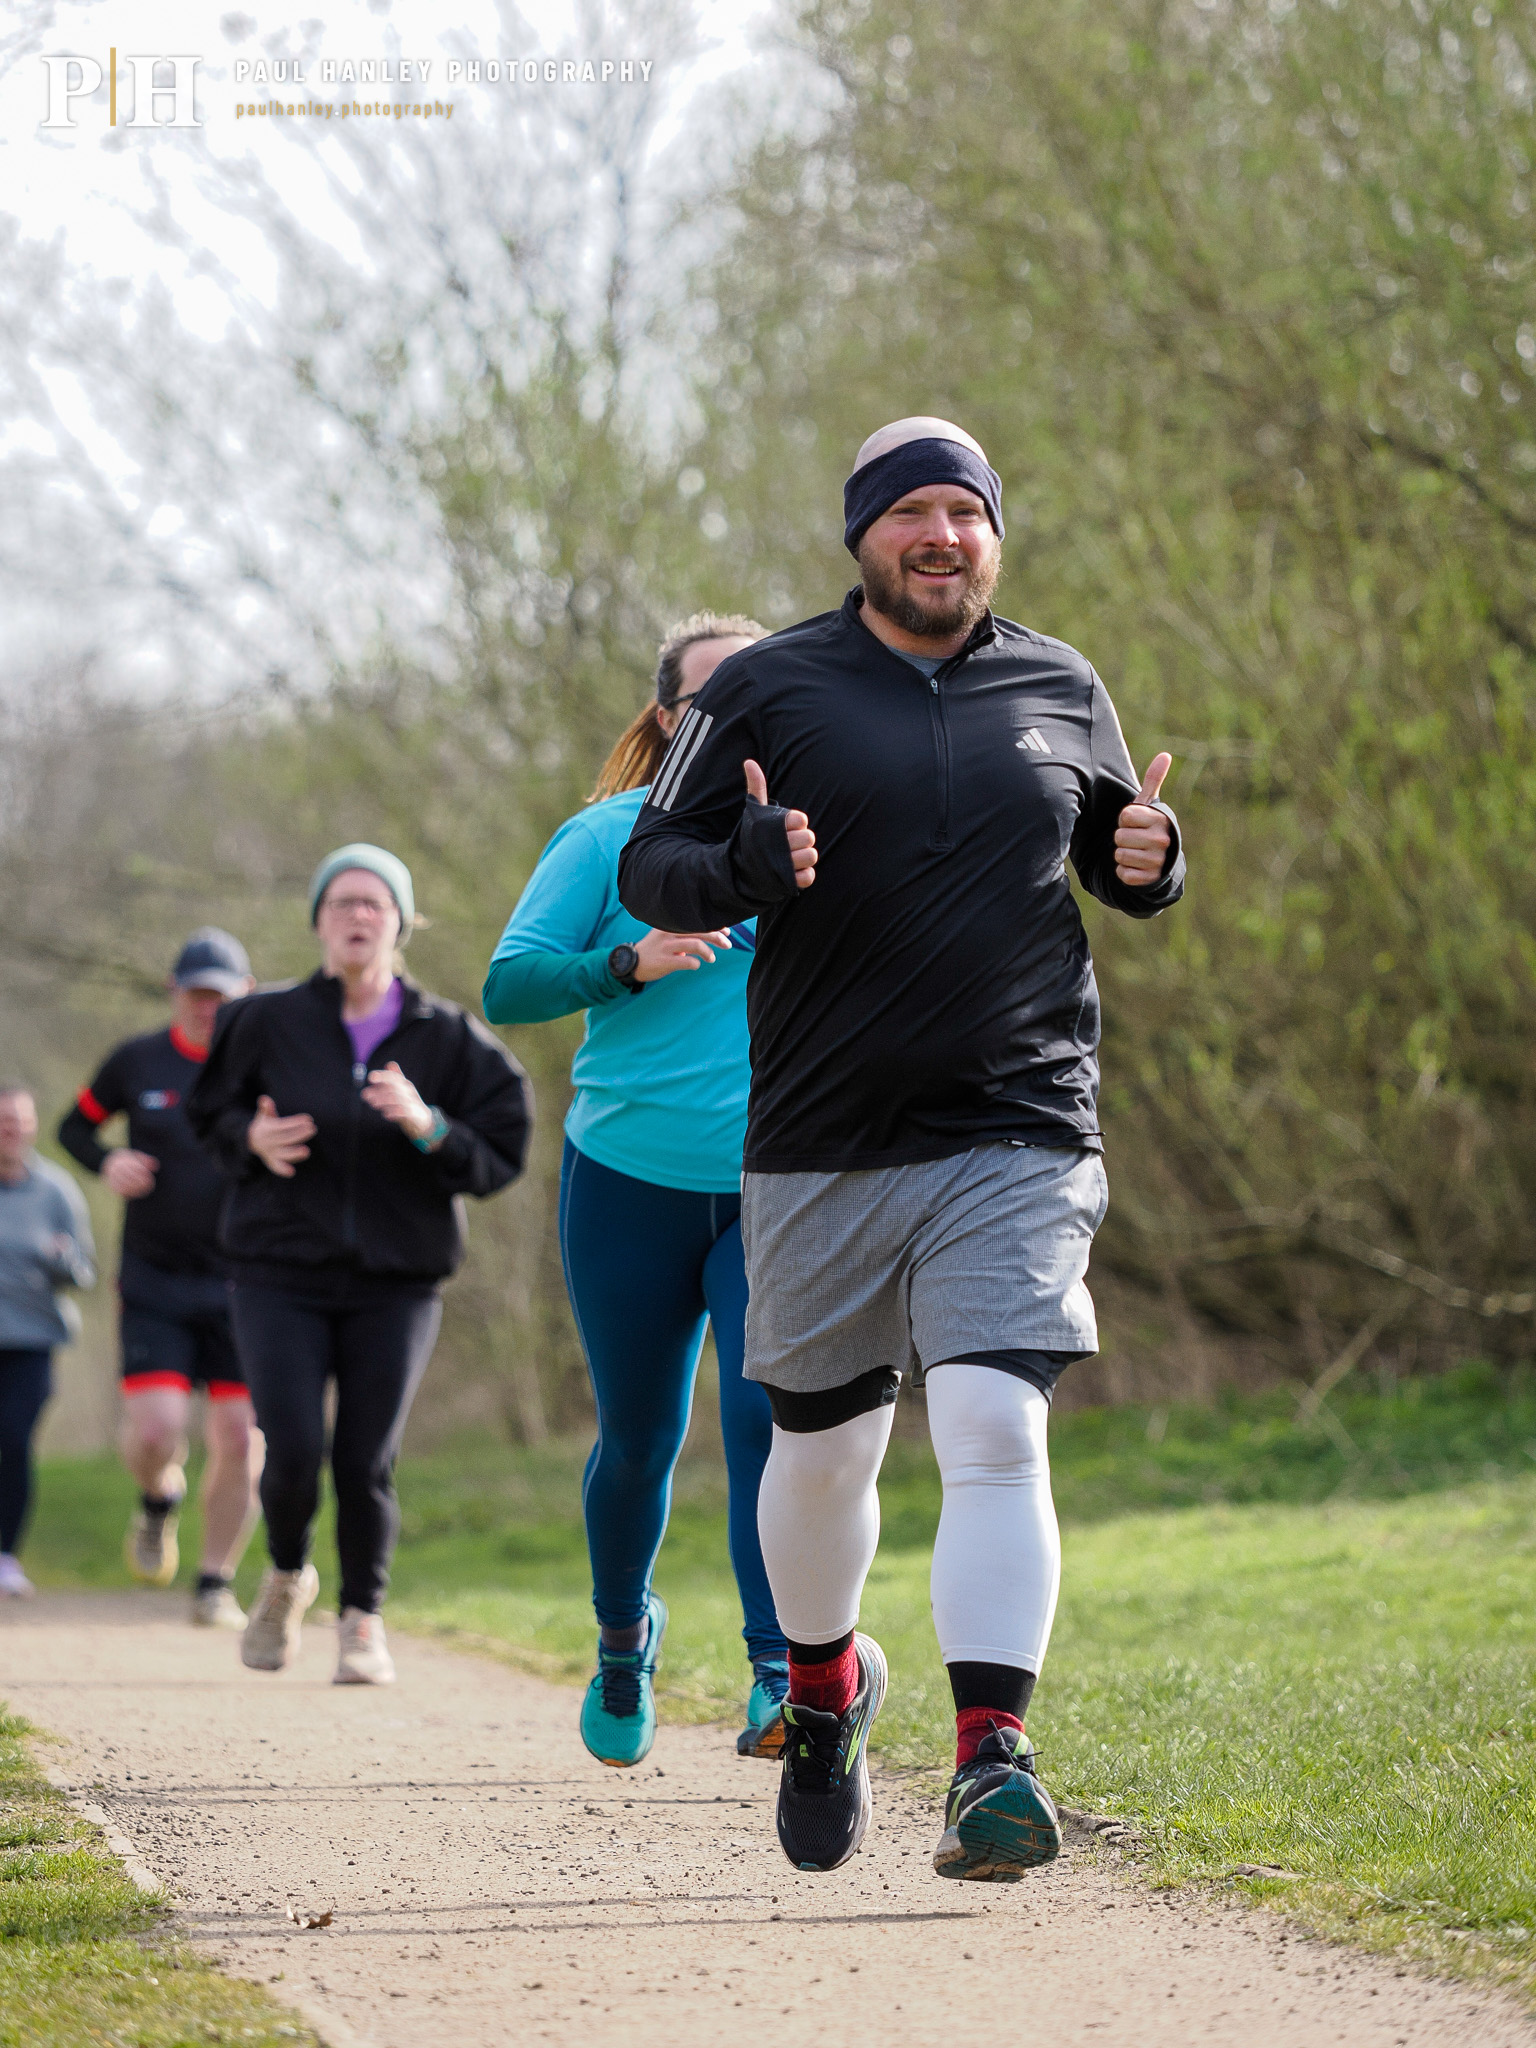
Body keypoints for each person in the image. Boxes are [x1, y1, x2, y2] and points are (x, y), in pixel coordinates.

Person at [618, 417, 1186, 1879]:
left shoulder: (1063, 684)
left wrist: (1153, 863)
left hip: (1020, 1125)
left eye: (967, 513)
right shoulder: (766, 684)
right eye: (913, 514)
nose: (943, 537)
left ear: (995, 534)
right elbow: (649, 862)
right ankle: (824, 1693)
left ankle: (994, 1757)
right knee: (826, 1455)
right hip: (822, 1140)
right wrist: (744, 866)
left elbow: (1117, 849)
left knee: (998, 1427)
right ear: (864, 535)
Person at [483, 613, 791, 1769]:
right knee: (639, 1438)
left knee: (769, 1417)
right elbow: (509, 983)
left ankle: (780, 1674)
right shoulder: (606, 837)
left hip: (774, 1188)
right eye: (715, 696)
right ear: (671, 718)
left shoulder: (813, 842)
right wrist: (626, 961)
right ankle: (625, 1633)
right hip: (627, 1183)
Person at [187, 845, 531, 1684]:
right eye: (341, 902)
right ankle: (283, 1576)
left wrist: (430, 1126)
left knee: (366, 1460)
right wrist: (249, 1139)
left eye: (375, 903)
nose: (356, 915)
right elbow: (207, 1114)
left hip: (398, 1282)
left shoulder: (448, 1038)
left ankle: (362, 1622)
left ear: (401, 922)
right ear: (318, 921)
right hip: (277, 1272)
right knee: (295, 1445)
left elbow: (501, 1154)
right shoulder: (261, 1020)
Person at [58, 930, 261, 1628]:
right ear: (176, 992)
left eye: (222, 995)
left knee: (240, 1439)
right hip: (156, 1278)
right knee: (158, 1430)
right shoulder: (136, 1060)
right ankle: (156, 1502)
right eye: (197, 992)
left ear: (246, 995)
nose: (208, 1005)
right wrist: (107, 1162)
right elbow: (73, 1129)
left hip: (246, 1280)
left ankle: (214, 1583)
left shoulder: (264, 1064)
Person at [0, 1082, 96, 1598]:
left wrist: (61, 1260)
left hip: (31, 1341)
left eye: (19, 1121)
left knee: (12, 1441)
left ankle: (6, 1555)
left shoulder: (56, 1190)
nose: (12, 1131)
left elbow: (85, 1271)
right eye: (3, 1122)